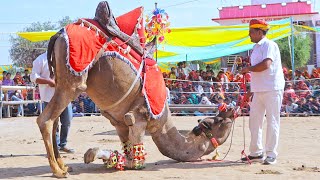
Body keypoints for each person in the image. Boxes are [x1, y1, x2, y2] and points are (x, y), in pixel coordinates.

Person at [241, 19, 285, 165]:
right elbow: (257, 72)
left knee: (272, 121)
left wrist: (248, 69)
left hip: (272, 88)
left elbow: (266, 65)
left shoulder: (270, 45)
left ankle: (271, 154)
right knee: (254, 121)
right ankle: (256, 152)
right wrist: (250, 90)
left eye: (251, 32)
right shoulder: (256, 48)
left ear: (260, 32)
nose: (249, 35)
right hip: (258, 89)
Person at [30, 52, 75, 153]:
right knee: (53, 123)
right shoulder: (40, 59)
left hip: (65, 95)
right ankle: (56, 147)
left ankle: (63, 144)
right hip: (49, 97)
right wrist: (48, 82)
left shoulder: (65, 58)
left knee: (67, 120)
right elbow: (33, 77)